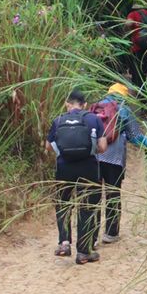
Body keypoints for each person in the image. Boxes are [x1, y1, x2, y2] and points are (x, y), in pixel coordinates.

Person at [47, 88, 107, 264]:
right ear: (85, 104)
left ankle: (64, 243)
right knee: (87, 207)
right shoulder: (94, 119)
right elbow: (102, 147)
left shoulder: (58, 120)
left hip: (64, 168)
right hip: (88, 168)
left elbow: (48, 146)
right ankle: (83, 252)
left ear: (67, 103)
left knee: (63, 204)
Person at [94, 82, 147, 244]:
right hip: (114, 159)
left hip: (94, 157)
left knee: (93, 195)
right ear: (124, 96)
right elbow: (135, 137)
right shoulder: (124, 110)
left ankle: (92, 236)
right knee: (113, 194)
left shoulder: (95, 108)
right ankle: (111, 233)